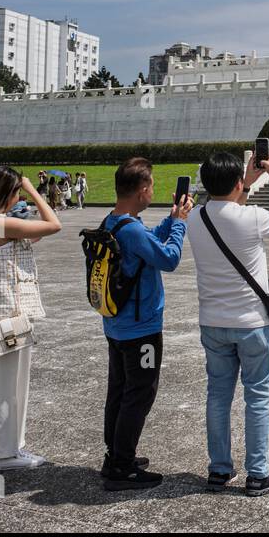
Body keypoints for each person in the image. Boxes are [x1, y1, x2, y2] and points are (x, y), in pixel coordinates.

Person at [187, 151, 269, 496]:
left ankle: (219, 470)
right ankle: (257, 474)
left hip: (213, 323)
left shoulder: (194, 218)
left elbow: (222, 208)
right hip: (251, 323)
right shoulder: (251, 218)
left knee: (218, 396)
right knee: (258, 395)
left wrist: (242, 184)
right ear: (236, 184)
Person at [99, 158, 192, 490]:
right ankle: (122, 467)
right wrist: (180, 223)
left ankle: (116, 455)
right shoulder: (132, 229)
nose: (153, 190)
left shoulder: (114, 222)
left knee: (120, 391)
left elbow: (149, 244)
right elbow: (168, 258)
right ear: (141, 191)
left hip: (116, 325)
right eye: (150, 186)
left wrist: (170, 219)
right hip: (142, 328)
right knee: (139, 394)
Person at [0, 166, 61, 471]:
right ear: (7, 193)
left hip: (3, 312)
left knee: (12, 383)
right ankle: (6, 454)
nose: (19, 196)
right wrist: (34, 190)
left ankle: (11, 446)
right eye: (16, 191)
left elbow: (35, 237)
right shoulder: (0, 223)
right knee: (10, 385)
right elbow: (53, 224)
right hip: (10, 313)